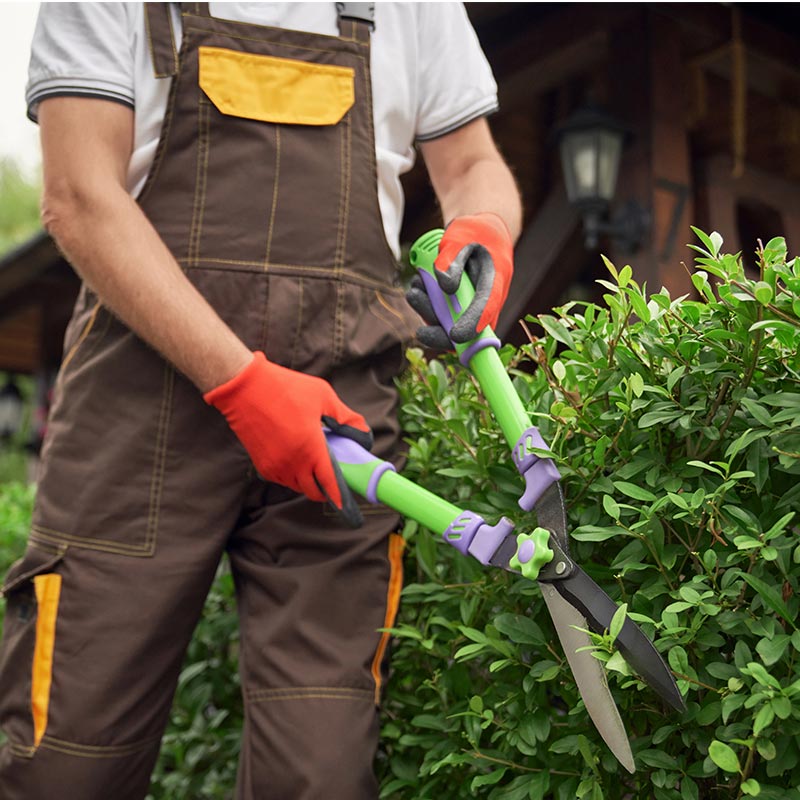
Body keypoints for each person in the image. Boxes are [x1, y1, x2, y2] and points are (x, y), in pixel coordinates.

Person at [0, 3, 522, 798]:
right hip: (138, 414)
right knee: (66, 764)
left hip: (338, 429)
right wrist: (241, 383)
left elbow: (471, 162)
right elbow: (78, 196)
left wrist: (485, 225)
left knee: (321, 772)